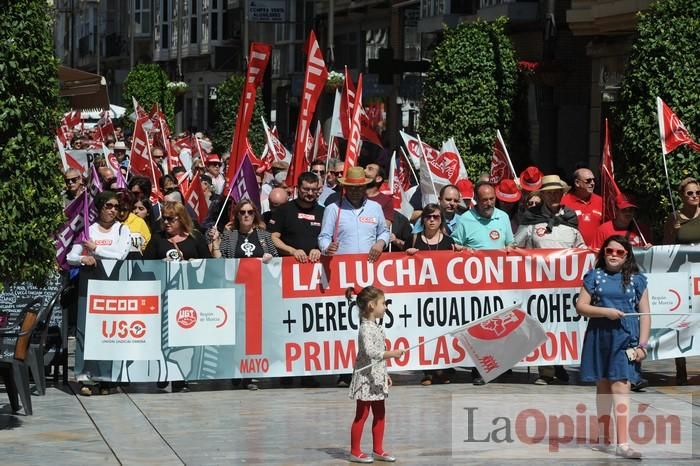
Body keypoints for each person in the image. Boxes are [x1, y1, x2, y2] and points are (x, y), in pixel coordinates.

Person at [575, 235, 650, 459]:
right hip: (599, 336)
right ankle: (603, 438)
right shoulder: (594, 276)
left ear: (627, 255)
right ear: (603, 253)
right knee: (604, 387)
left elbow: (645, 314)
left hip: (626, 338)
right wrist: (605, 312)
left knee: (621, 385)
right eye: (609, 251)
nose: (614, 255)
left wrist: (643, 345)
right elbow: (581, 306)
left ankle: (623, 443)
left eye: (619, 252)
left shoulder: (637, 280)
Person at [318, 166, 390, 387]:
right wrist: (326, 248)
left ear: (365, 187)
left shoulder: (376, 208)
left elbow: (384, 232)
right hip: (343, 274)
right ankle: (344, 371)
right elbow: (323, 237)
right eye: (352, 188)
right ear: (345, 188)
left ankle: (376, 365)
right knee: (346, 323)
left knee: (372, 322)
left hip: (369, 272)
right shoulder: (333, 209)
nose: (356, 192)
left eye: (360, 188)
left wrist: (380, 242)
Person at [515, 175, 584, 384]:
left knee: (563, 326)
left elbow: (581, 247)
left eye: (557, 191)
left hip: (566, 286)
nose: (554, 195)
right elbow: (515, 247)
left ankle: (560, 364)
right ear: (542, 194)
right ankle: (546, 371)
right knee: (543, 326)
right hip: (539, 286)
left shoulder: (571, 219)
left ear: (562, 194)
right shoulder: (530, 220)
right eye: (550, 192)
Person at [66, 190, 131, 396]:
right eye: (108, 206)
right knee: (88, 332)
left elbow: (120, 255)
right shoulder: (88, 230)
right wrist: (82, 259)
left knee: (111, 333)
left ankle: (107, 379)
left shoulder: (122, 229)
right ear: (99, 208)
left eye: (116, 207)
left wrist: (96, 249)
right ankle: (85, 377)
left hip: (115, 289)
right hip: (90, 289)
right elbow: (70, 256)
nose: (113, 210)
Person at [209, 199, 278, 391]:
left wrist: (271, 259)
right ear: (237, 215)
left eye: (250, 212)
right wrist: (215, 242)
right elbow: (219, 260)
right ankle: (235, 371)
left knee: (255, 335)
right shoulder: (229, 236)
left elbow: (278, 261)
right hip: (236, 292)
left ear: (255, 214)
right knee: (236, 334)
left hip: (259, 293)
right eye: (242, 212)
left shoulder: (264, 236)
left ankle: (250, 374)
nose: (246, 215)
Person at [451, 181, 514, 385]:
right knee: (478, 328)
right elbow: (455, 247)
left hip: (500, 283)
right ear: (475, 200)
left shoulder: (503, 217)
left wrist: (512, 249)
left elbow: (509, 244)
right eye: (484, 200)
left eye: (492, 199)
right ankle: (480, 369)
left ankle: (501, 365)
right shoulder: (465, 219)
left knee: (499, 325)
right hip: (474, 286)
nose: (488, 203)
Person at [347, 286, 405, 464]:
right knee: (362, 415)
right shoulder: (366, 328)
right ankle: (355, 451)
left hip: (377, 377)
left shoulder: (376, 326)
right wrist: (393, 354)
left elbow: (379, 355)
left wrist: (385, 373)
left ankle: (378, 450)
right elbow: (371, 352)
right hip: (366, 378)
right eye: (383, 303)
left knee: (380, 414)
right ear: (372, 305)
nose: (386, 307)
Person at [405, 204, 457, 386]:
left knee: (443, 333)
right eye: (428, 217)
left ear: (441, 219)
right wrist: (407, 254)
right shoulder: (413, 240)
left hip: (443, 296)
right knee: (424, 334)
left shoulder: (449, 242)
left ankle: (443, 370)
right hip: (420, 297)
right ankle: (428, 372)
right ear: (423, 220)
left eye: (436, 217)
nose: (432, 220)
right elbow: (400, 265)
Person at [662, 177, 700, 385]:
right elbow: (665, 250)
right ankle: (681, 368)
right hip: (684, 278)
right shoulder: (674, 218)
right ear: (681, 196)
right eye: (690, 193)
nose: (694, 196)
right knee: (683, 322)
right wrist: (675, 232)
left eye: (697, 193)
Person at [269, 172, 324, 264]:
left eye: (314, 190)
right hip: (288, 264)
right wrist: (292, 251)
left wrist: (319, 249)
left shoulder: (324, 212)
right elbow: (272, 237)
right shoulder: (284, 209)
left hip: (315, 265)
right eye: (306, 189)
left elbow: (330, 239)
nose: (310, 193)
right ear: (298, 188)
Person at [143, 202, 210, 262]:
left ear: (181, 219)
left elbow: (208, 262)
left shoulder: (195, 236)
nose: (166, 222)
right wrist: (160, 263)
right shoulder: (157, 238)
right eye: (164, 218)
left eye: (170, 218)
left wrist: (196, 262)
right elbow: (145, 263)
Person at [561, 167, 603, 246]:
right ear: (577, 183)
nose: (593, 183)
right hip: (574, 252)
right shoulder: (564, 202)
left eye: (594, 180)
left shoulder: (601, 201)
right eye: (588, 180)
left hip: (597, 251)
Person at [115, 189, 151, 259]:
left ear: (130, 208)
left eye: (125, 210)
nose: (122, 214)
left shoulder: (139, 222)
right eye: (119, 209)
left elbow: (147, 248)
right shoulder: (108, 223)